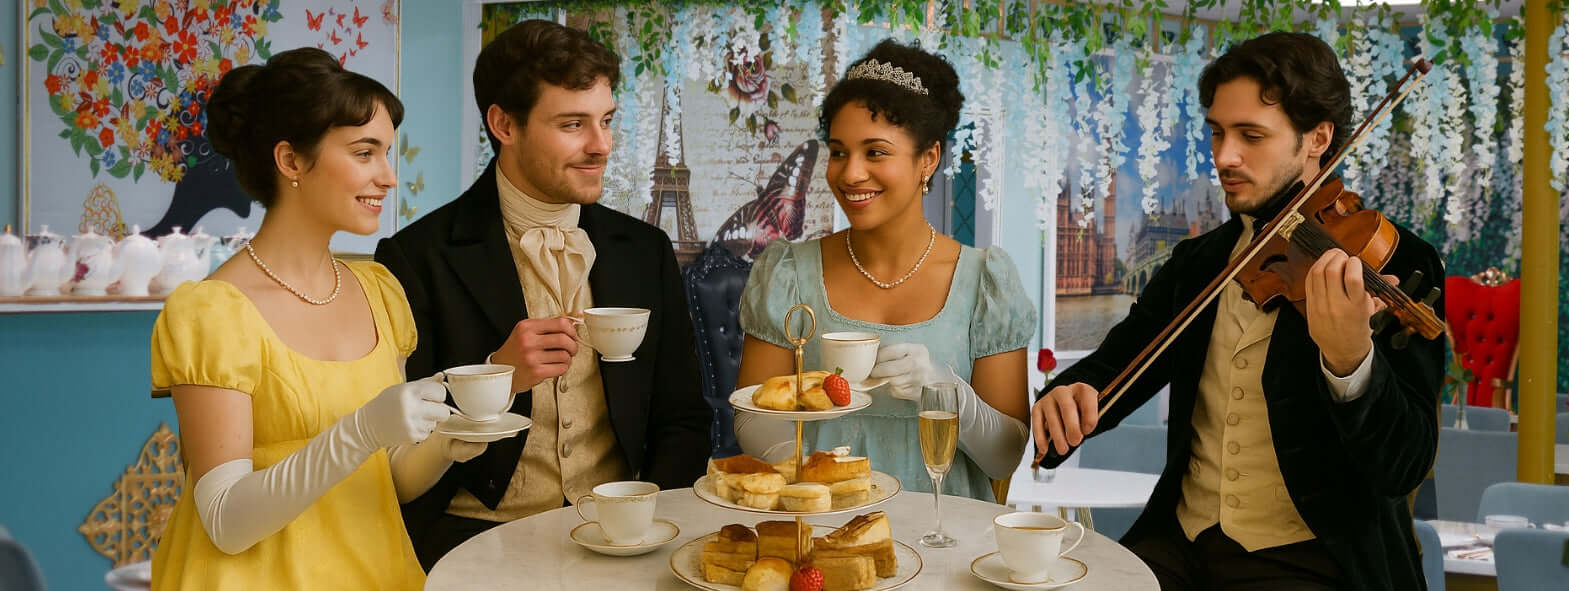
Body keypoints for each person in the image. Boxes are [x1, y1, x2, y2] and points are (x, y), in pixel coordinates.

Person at [1030, 32, 1446, 590]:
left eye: (1252, 136)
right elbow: (1110, 370)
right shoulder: (1198, 263)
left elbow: (1404, 464)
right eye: (1218, 134)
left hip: (1316, 561)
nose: (1225, 156)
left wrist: (1351, 363)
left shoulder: (1400, 260)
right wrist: (1066, 396)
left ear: (1317, 138)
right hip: (1181, 544)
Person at [375, 19, 710, 569]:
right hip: (470, 540)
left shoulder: (644, 249)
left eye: (606, 120)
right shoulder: (417, 257)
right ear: (505, 124)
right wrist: (495, 374)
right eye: (573, 124)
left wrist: (651, 520)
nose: (601, 145)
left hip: (625, 539)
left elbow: (683, 418)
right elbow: (397, 438)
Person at [149, 48, 484, 590]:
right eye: (364, 152)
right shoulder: (212, 313)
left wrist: (447, 445)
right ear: (291, 162)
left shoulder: (378, 293)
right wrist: (362, 429)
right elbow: (226, 520)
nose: (388, 177)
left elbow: (390, 476)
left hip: (369, 569)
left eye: (387, 154)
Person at [734, 39, 1034, 502]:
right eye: (838, 152)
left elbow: (1004, 458)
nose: (850, 173)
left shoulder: (985, 282)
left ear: (927, 160)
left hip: (947, 541)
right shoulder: (788, 273)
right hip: (820, 531)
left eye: (875, 152)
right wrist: (809, 481)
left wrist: (946, 390)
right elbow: (752, 415)